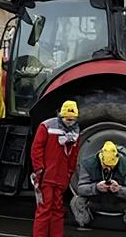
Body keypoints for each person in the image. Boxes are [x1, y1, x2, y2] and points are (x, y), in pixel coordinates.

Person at [30, 100, 81, 237]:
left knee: (57, 209)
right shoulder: (46, 127)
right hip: (47, 176)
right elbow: (36, 149)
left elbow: (73, 155)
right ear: (61, 115)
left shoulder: (75, 131)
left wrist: (69, 173)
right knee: (45, 209)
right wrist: (39, 170)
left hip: (59, 177)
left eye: (72, 119)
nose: (70, 122)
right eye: (67, 119)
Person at [71, 141, 126, 228]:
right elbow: (81, 189)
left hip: (117, 200)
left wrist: (119, 189)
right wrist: (96, 188)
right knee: (76, 201)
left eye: (111, 166)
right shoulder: (88, 164)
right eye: (106, 165)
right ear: (101, 158)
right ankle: (85, 222)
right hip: (95, 198)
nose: (108, 168)